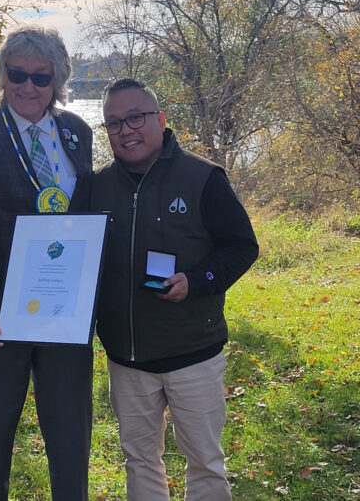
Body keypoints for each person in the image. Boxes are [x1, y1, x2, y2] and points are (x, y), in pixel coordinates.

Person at [0, 25, 93, 501]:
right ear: (2, 75)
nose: (28, 86)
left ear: (58, 81)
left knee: (71, 437)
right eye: (17, 73)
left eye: (41, 76)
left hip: (63, 315)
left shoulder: (76, 133)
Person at [92, 78, 259, 501]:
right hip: (126, 359)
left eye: (135, 117)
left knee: (204, 459)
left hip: (193, 354)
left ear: (160, 120)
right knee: (140, 459)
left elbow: (242, 245)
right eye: (114, 123)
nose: (126, 130)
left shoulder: (203, 177)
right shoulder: (95, 188)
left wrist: (199, 281)